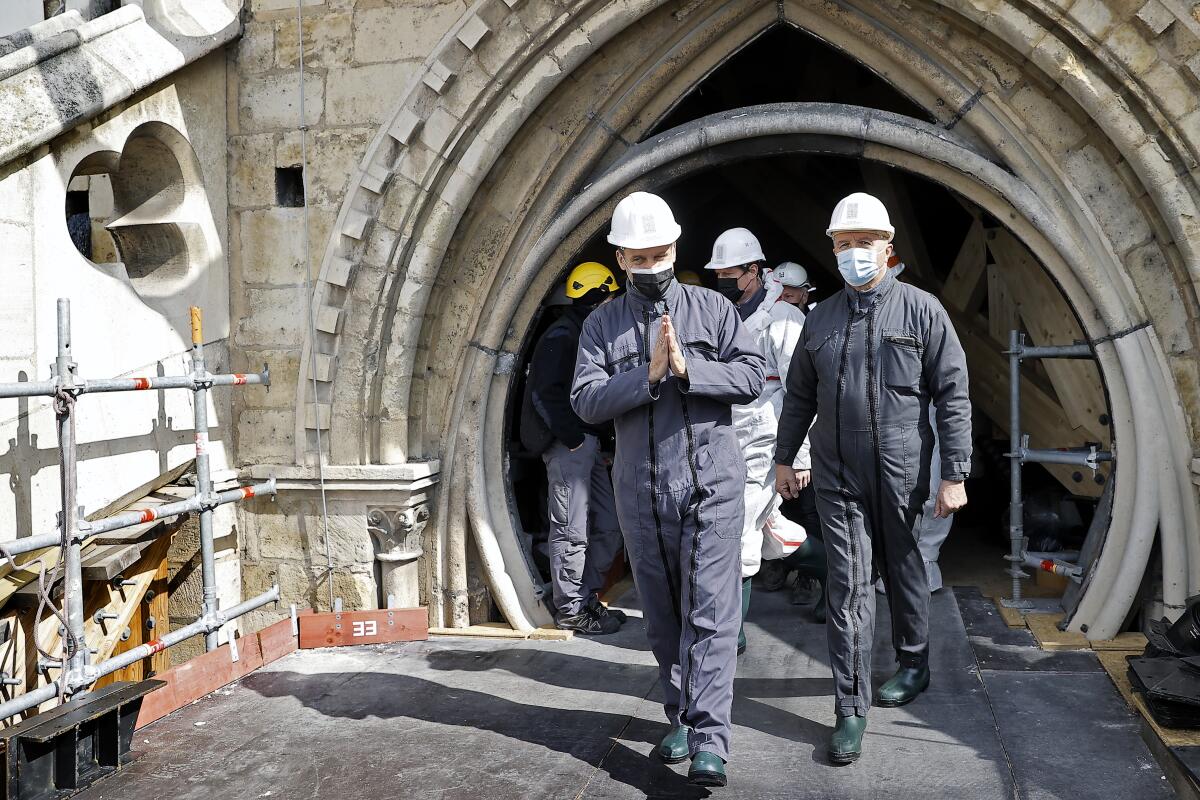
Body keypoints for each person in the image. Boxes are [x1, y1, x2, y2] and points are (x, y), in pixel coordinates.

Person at [572, 192, 766, 787]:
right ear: (621, 258)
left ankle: (711, 738)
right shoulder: (601, 323)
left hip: (710, 482)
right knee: (663, 616)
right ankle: (679, 714)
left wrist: (689, 371)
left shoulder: (713, 309)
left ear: (675, 248)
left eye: (659, 255)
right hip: (640, 489)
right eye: (637, 257)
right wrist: (647, 376)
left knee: (710, 610)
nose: (650, 266)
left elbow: (753, 376)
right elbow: (584, 400)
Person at [774, 192, 971, 764]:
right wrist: (786, 458)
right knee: (850, 583)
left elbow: (953, 395)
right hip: (837, 473)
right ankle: (850, 708)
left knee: (905, 568)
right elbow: (799, 396)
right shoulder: (821, 318)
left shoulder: (922, 310)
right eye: (844, 244)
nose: (854, 253)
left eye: (865, 243)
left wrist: (954, 473)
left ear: (888, 248)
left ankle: (913, 662)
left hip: (902, 467)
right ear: (832, 250)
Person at [705, 229, 827, 652]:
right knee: (772, 532)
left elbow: (804, 392)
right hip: (730, 434)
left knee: (737, 530)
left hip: (769, 436)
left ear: (753, 271)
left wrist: (800, 456)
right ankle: (839, 575)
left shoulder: (784, 320)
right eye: (717, 273)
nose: (721, 279)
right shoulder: (725, 314)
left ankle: (729, 635)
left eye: (729, 273)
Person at [521, 262, 626, 634]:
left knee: (610, 525)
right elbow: (544, 394)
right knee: (570, 529)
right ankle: (570, 609)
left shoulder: (584, 332)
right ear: (597, 297)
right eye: (610, 296)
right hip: (570, 449)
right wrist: (575, 438)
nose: (614, 303)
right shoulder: (562, 336)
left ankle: (586, 598)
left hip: (589, 446)